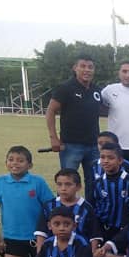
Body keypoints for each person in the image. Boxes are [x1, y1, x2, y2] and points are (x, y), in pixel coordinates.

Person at [0, 145, 54, 257]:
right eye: (11, 159)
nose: (14, 163)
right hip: (13, 237)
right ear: (6, 163)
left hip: (37, 237)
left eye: (20, 160)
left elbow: (50, 206)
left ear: (29, 165)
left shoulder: (38, 182)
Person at [46, 54, 101, 197]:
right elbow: (50, 111)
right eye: (82, 66)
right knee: (67, 182)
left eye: (90, 67)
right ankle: (62, 214)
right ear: (75, 68)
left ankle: (90, 213)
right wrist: (53, 138)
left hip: (94, 145)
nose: (87, 70)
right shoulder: (65, 88)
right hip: (71, 145)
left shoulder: (96, 90)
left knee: (94, 181)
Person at [34, 168, 99, 251]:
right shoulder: (49, 206)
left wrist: (92, 255)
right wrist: (40, 255)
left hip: (80, 253)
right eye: (59, 184)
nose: (63, 188)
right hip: (53, 254)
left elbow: (94, 235)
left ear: (78, 187)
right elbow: (41, 233)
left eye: (68, 184)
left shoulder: (86, 208)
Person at [91, 143, 129, 242]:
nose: (106, 161)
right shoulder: (98, 183)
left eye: (110, 158)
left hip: (124, 228)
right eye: (102, 157)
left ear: (120, 160)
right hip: (104, 228)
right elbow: (95, 205)